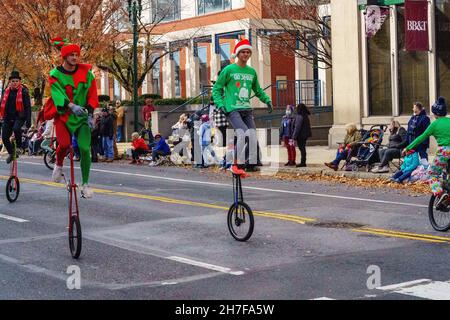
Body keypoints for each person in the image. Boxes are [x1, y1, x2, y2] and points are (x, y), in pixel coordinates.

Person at [45, 38, 99, 198]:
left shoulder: (87, 74)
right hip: (64, 116)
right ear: (65, 57)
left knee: (84, 149)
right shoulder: (55, 74)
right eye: (72, 55)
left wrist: (89, 112)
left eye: (77, 54)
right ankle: (58, 164)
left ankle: (86, 184)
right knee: (64, 144)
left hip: (82, 117)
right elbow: (56, 94)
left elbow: (92, 95)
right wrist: (70, 106)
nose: (75, 58)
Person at [212, 38, 272, 172]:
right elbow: (217, 88)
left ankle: (251, 162)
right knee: (243, 133)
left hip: (246, 109)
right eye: (243, 52)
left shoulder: (251, 72)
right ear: (238, 54)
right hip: (232, 109)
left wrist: (267, 100)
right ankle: (236, 163)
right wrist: (220, 104)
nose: (246, 54)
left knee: (252, 135)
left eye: (248, 52)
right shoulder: (229, 69)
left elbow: (258, 90)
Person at [405, 97, 450, 210]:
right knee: (447, 176)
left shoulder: (434, 124)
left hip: (444, 151)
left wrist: (407, 148)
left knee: (432, 174)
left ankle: (441, 194)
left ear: (435, 113)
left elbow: (421, 138)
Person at [0, 71, 32, 163]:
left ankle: (19, 147)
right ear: (10, 82)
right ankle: (12, 153)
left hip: (19, 116)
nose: (15, 83)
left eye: (17, 81)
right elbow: (2, 104)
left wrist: (28, 121)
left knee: (16, 128)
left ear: (19, 82)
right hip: (7, 117)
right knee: (4, 137)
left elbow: (28, 107)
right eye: (13, 81)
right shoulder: (6, 92)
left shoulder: (24, 92)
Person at [292, 103, 312, 167]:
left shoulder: (299, 116)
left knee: (302, 148)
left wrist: (294, 136)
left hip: (300, 135)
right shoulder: (305, 115)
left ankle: (303, 162)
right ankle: (303, 161)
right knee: (303, 148)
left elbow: (297, 127)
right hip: (305, 135)